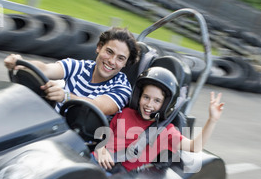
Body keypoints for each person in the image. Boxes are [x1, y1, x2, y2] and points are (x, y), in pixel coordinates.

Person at [94, 66, 224, 172]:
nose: (149, 104)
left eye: (157, 101)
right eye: (146, 97)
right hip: (96, 160)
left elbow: (195, 147)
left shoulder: (166, 132)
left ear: (165, 105)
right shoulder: (126, 113)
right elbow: (104, 134)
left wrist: (212, 120)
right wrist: (101, 150)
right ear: (138, 97)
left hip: (116, 175)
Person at [4, 27, 140, 116]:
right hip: (49, 122)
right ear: (99, 47)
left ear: (125, 64)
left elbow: (97, 106)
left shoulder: (122, 88)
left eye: (120, 58)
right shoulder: (80, 66)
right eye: (109, 52)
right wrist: (21, 63)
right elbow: (45, 69)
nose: (111, 61)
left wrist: (66, 96)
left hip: (78, 141)